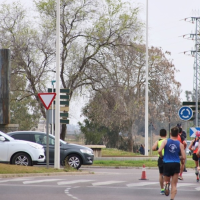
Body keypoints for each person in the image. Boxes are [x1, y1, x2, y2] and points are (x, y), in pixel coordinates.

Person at [158, 126, 186, 200]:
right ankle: (172, 198)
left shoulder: (165, 141)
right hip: (176, 164)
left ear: (170, 133)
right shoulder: (180, 144)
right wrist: (178, 157)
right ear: (178, 134)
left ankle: (166, 185)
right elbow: (184, 157)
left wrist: (162, 156)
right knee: (174, 184)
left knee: (166, 180)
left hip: (166, 163)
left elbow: (159, 150)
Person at [152, 128, 167, 195]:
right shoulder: (167, 141)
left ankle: (162, 189)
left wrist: (158, 148)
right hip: (168, 158)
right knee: (168, 174)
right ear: (166, 134)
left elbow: (153, 148)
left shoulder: (158, 141)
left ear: (159, 134)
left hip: (161, 158)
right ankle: (167, 185)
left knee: (161, 174)